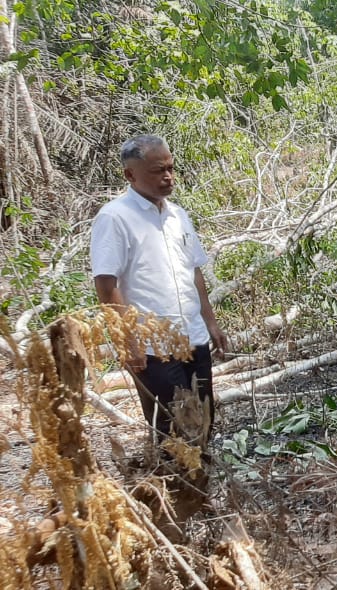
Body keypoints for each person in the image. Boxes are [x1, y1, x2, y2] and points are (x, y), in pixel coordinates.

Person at [90, 135, 229, 447]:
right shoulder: (115, 218)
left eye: (170, 168)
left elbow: (193, 271)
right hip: (152, 348)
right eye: (157, 170)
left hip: (193, 336)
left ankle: (201, 487)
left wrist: (211, 323)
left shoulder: (178, 216)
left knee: (204, 421)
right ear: (130, 174)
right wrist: (127, 341)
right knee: (172, 431)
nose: (168, 176)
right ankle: (175, 489)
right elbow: (105, 284)